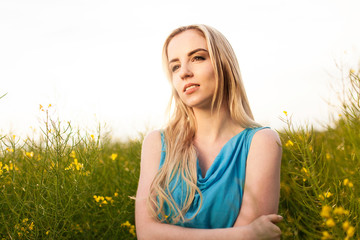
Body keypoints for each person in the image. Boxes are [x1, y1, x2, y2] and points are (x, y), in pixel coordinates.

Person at [135, 24, 282, 239]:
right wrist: (242, 235)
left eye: (197, 58)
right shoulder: (157, 143)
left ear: (224, 64)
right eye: (175, 67)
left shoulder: (262, 142)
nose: (184, 72)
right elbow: (147, 234)